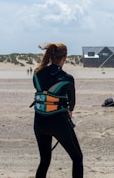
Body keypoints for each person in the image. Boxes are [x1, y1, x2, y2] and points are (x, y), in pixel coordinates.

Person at [32, 43, 83, 178]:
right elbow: (71, 104)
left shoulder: (37, 74)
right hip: (58, 123)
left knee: (44, 160)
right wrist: (69, 111)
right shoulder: (67, 78)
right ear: (64, 57)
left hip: (40, 123)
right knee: (77, 158)